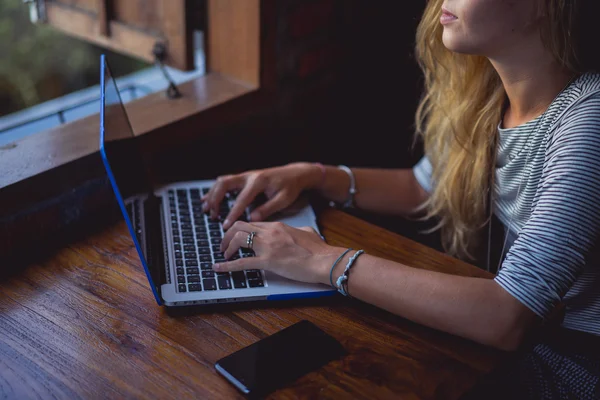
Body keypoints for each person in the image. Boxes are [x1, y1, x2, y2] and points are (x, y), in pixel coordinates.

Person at [203, 0, 600, 398]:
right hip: (530, 342)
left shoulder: (588, 122)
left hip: (574, 363)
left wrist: (319, 259)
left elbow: (505, 316)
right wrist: (316, 175)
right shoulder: (493, 93)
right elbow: (425, 186)